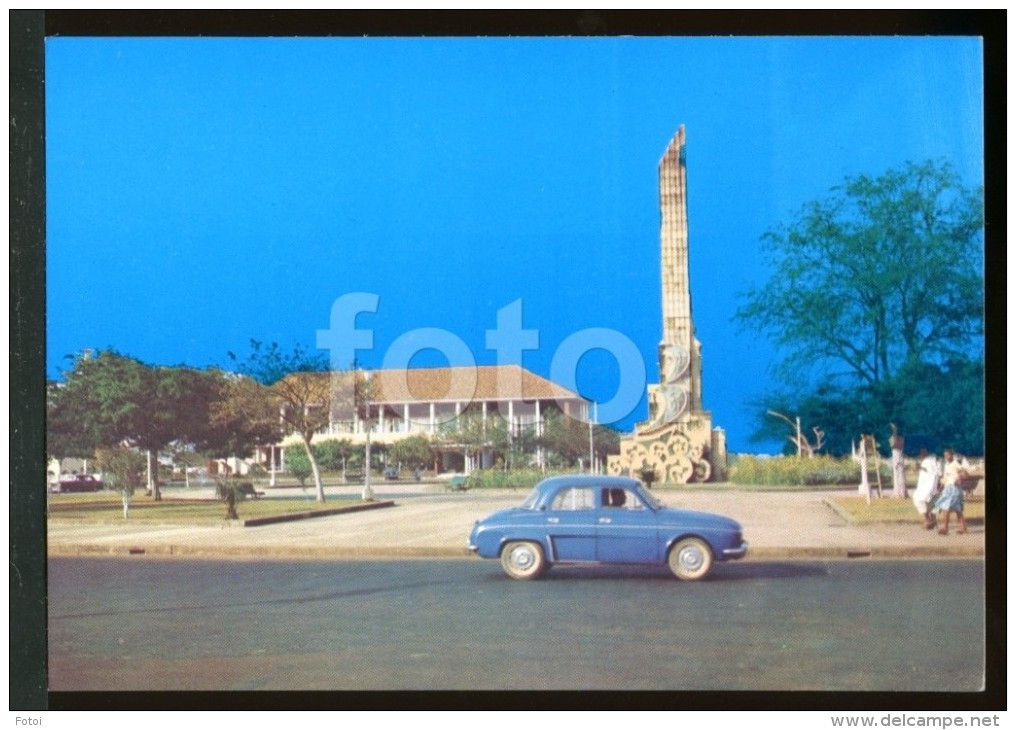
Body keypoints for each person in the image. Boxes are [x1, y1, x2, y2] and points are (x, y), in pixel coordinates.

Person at [933, 449, 968, 535]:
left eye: (948, 455)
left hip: (954, 488)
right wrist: (940, 488)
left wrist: (958, 478)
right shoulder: (946, 465)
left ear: (952, 455)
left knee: (946, 507)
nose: (946, 457)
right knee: (957, 509)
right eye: (945, 455)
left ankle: (945, 528)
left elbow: (965, 473)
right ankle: (963, 529)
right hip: (948, 488)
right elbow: (945, 479)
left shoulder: (955, 463)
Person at [912, 448, 940, 530]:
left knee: (919, 499)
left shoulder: (931, 459)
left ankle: (928, 520)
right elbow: (925, 471)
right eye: (921, 451)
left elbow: (934, 471)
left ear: (927, 451)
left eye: (923, 451)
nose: (921, 453)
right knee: (928, 502)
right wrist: (919, 468)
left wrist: (920, 467)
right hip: (924, 485)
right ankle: (932, 521)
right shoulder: (926, 460)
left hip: (929, 486)